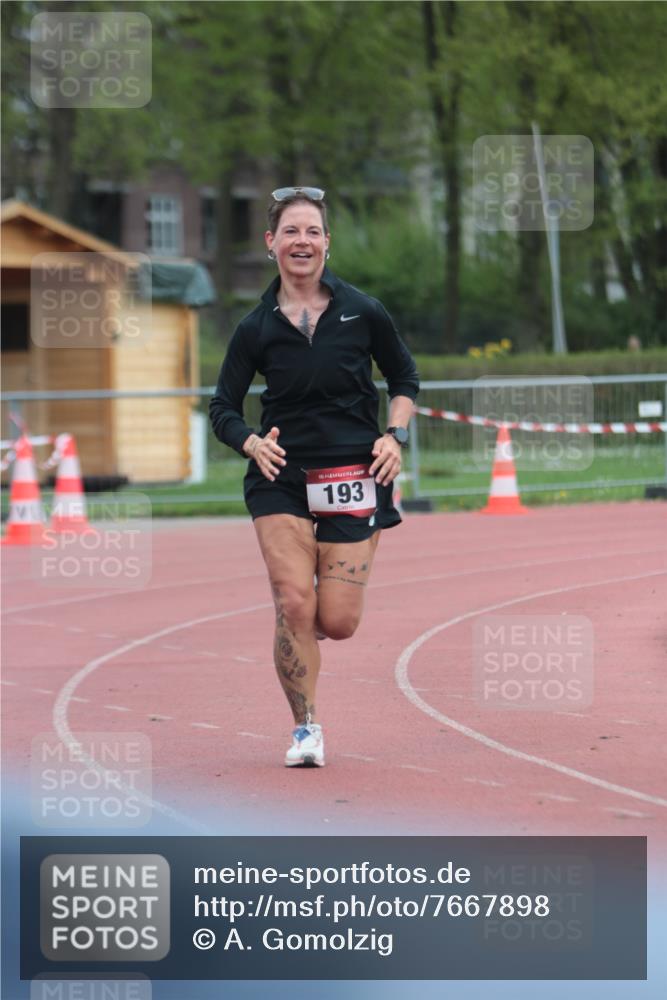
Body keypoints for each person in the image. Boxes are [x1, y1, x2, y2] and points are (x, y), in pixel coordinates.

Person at [209, 186, 419, 767]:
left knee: (338, 622)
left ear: (327, 242)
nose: (301, 241)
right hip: (281, 476)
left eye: (312, 231)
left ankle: (309, 625)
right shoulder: (255, 327)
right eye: (291, 232)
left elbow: (404, 379)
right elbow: (222, 407)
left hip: (355, 471)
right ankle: (306, 729)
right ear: (271, 242)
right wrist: (251, 442)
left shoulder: (364, 311)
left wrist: (394, 436)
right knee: (293, 601)